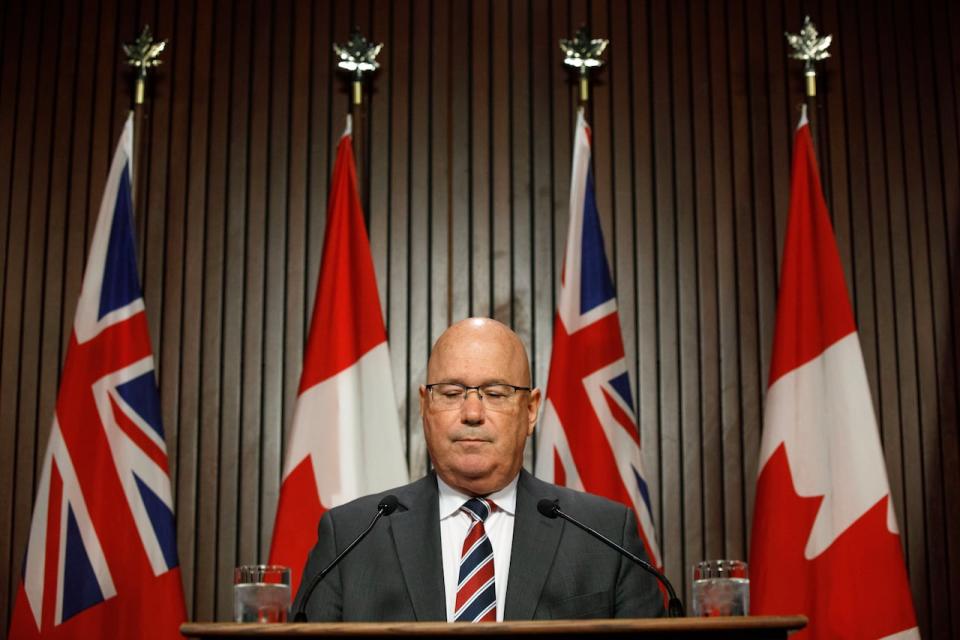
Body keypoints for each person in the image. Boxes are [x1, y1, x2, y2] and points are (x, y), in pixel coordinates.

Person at [292, 317, 664, 621]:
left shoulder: (607, 536)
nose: (472, 414)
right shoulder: (350, 537)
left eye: (496, 393)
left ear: (531, 410)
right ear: (425, 405)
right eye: (452, 393)